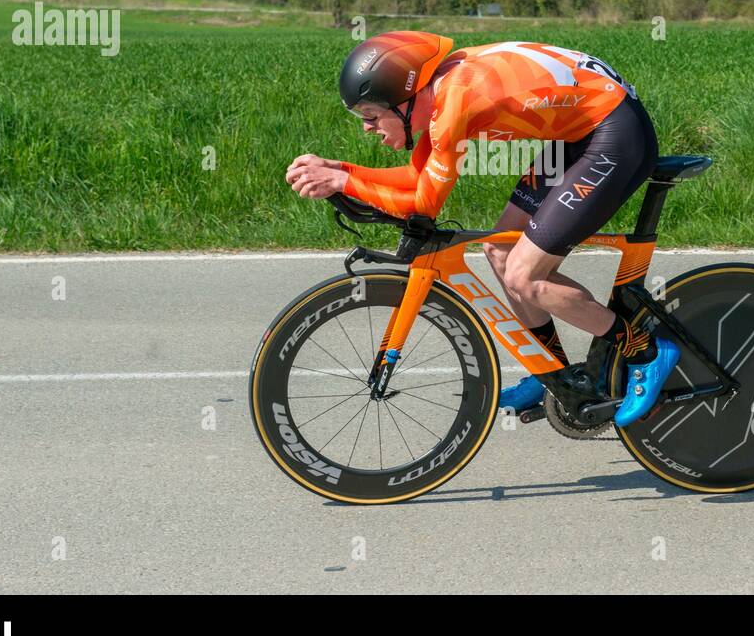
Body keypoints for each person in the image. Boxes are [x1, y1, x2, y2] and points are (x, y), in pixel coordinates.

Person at [286, 30, 678, 427]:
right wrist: (343, 170)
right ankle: (553, 374)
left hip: (614, 135)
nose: (367, 127)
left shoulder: (457, 102)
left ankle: (645, 350)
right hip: (577, 133)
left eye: (371, 115)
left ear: (406, 101)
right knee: (500, 251)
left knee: (526, 275)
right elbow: (414, 176)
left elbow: (423, 204)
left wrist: (341, 184)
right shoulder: (441, 90)